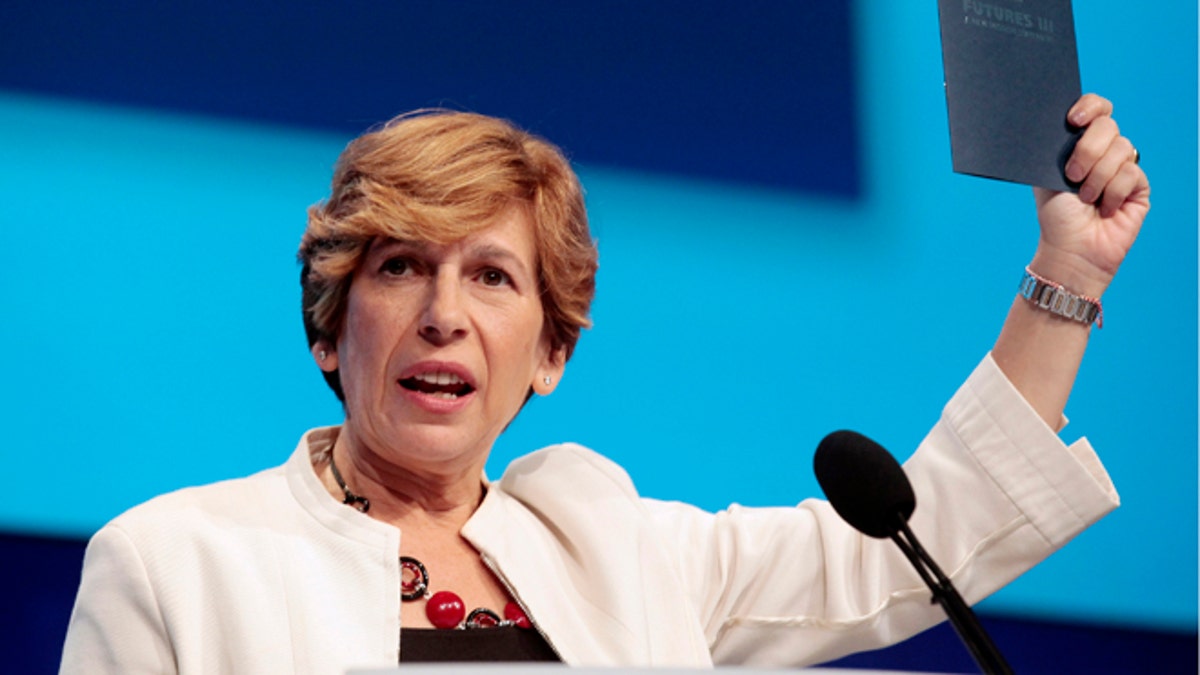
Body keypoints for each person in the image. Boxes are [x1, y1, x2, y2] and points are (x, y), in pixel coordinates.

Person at [60, 94, 1148, 673]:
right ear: (330, 330)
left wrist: (1068, 272)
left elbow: (918, 547)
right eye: (401, 268)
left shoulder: (614, 547)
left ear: (550, 354)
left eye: (492, 276)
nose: (444, 312)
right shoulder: (173, 566)